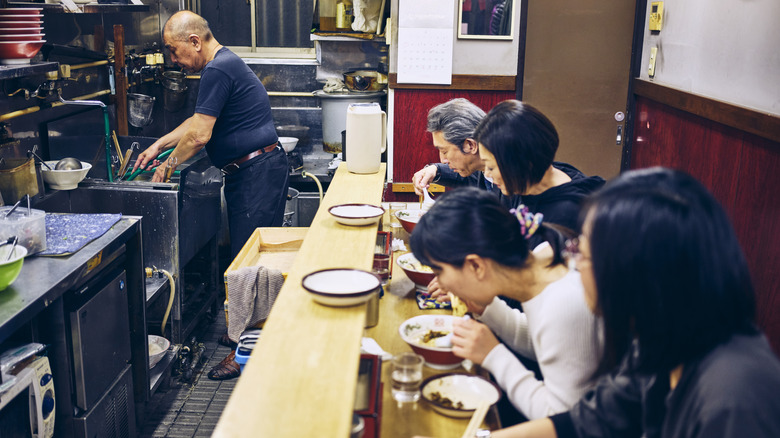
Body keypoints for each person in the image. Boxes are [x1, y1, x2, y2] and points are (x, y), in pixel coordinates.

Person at [416, 168, 780, 438]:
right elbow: (584, 421)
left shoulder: (736, 392)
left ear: (639, 273)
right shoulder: (660, 346)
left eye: (583, 254)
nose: (572, 265)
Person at [132, 11, 289, 380]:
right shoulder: (222, 64)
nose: (173, 60)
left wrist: (167, 167)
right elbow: (196, 124)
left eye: (174, 51)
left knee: (248, 264)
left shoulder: (218, 69)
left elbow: (200, 136)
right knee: (245, 261)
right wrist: (159, 145)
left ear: (195, 42)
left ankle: (244, 351)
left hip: (257, 174)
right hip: (252, 172)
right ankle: (244, 332)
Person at [410, 187, 602, 421]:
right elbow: (544, 342)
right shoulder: (542, 259)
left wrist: (493, 355)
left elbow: (563, 421)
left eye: (439, 271)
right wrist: (488, 310)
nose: (439, 282)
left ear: (477, 266)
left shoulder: (563, 303)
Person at [474, 100, 604, 233]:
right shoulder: (522, 186)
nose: (487, 174)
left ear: (521, 162)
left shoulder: (567, 213)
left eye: (491, 167)